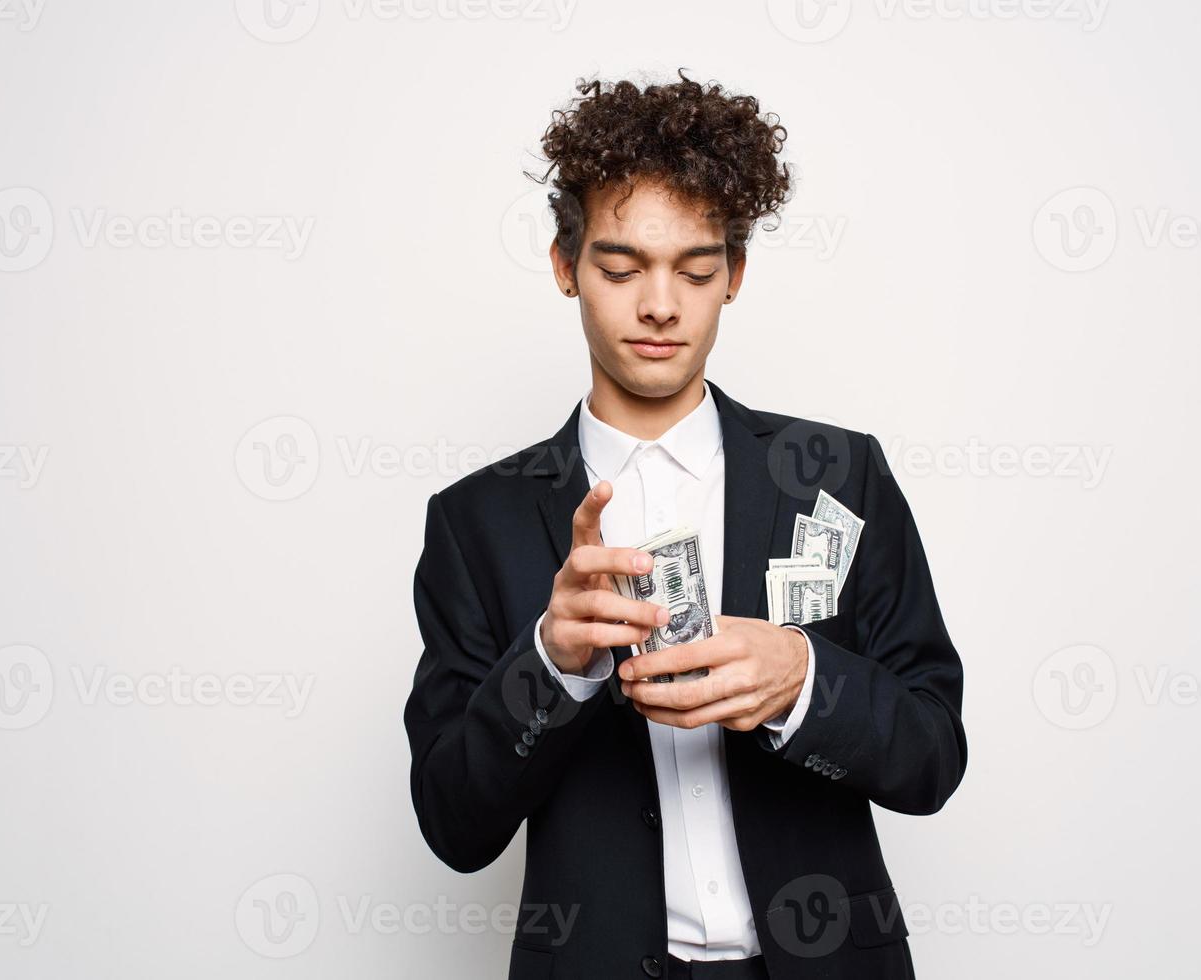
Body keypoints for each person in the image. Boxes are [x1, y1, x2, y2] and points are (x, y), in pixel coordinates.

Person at [403, 70, 966, 980]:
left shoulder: (841, 475)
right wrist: (550, 663)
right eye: (621, 269)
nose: (660, 305)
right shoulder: (477, 521)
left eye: (696, 270)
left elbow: (935, 754)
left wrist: (803, 681)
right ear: (564, 265)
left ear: (733, 275)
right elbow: (452, 824)